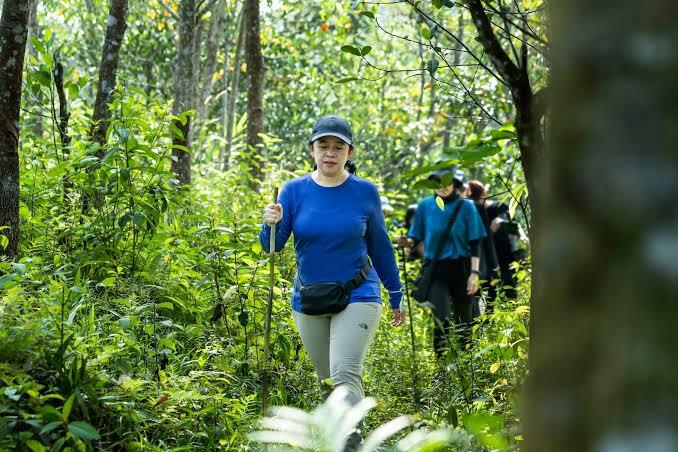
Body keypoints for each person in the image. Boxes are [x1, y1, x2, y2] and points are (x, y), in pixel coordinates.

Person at [259, 115, 404, 412]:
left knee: (344, 375)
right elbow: (272, 246)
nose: (330, 152)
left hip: (358, 293)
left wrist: (395, 292)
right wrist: (268, 223)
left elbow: (380, 244)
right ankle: (339, 435)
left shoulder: (364, 192)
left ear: (349, 153)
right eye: (323, 145)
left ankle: (351, 443)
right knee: (327, 382)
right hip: (309, 297)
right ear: (312, 149)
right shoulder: (293, 191)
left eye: (339, 147)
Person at [400, 168, 486, 355]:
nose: (442, 187)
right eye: (437, 182)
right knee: (441, 316)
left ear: (455, 184)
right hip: (436, 268)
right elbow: (415, 235)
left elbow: (475, 242)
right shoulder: (425, 206)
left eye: (447, 182)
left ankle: (467, 361)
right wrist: (407, 242)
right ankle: (441, 369)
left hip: (461, 267)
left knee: (465, 317)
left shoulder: (466, 207)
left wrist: (475, 273)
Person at [466, 180, 501, 314]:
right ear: (483, 194)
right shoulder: (478, 210)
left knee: (474, 298)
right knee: (487, 297)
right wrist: (494, 267)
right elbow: (487, 241)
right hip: (482, 264)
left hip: (471, 265)